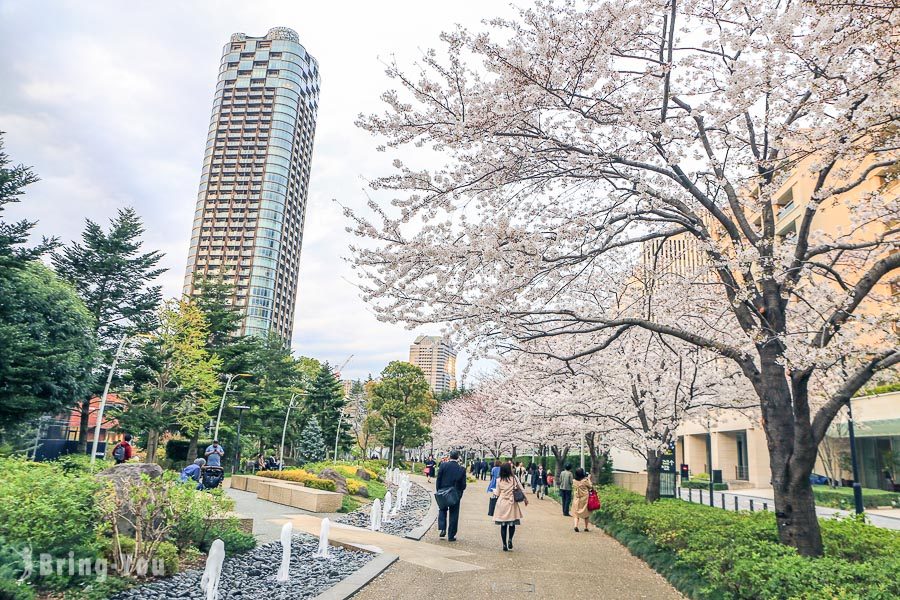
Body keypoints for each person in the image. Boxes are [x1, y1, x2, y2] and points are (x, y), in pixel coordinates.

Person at [492, 462, 528, 551]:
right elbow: (521, 488)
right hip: (512, 504)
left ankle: (504, 544)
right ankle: (510, 539)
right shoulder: (514, 479)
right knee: (512, 524)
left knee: (503, 525)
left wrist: (494, 492)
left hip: (502, 503)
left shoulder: (499, 480)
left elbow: (497, 493)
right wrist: (525, 499)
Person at [436, 449, 467, 541]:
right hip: (455, 493)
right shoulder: (461, 469)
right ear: (458, 458)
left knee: (442, 509)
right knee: (454, 513)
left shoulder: (443, 465)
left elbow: (439, 479)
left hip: (443, 491)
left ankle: (442, 528)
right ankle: (451, 535)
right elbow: (463, 484)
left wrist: (438, 490)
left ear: (450, 456)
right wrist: (460, 493)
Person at [571, 467, 594, 532]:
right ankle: (586, 527)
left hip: (577, 499)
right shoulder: (585, 481)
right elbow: (591, 486)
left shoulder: (574, 481)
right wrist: (589, 478)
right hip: (584, 499)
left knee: (576, 513)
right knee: (586, 513)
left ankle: (575, 526)